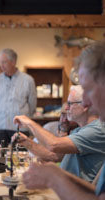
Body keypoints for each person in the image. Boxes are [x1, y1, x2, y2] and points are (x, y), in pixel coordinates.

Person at [22, 41, 105, 199]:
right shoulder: (83, 128)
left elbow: (54, 147)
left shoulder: (99, 129)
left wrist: (55, 178)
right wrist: (55, 174)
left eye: (89, 89)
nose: (87, 102)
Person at [13, 85, 105, 182]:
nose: (66, 107)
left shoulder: (97, 129)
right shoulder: (80, 130)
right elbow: (54, 155)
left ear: (85, 105)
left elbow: (54, 145)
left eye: (70, 103)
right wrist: (26, 142)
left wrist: (29, 122)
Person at [0, 49, 37, 147]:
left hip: (19, 127)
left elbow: (32, 104)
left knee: (21, 157)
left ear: (13, 62)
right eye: (0, 62)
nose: (1, 65)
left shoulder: (28, 80)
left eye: (4, 62)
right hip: (0, 125)